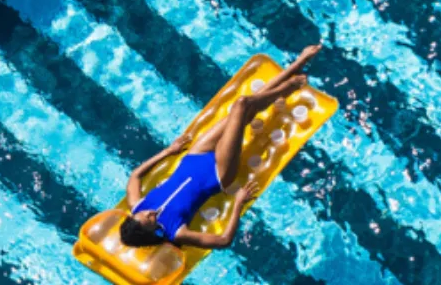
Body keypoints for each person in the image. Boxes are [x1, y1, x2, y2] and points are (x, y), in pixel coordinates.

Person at [117, 44, 322, 251]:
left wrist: (168, 151)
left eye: (143, 215)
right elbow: (223, 241)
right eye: (150, 221)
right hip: (218, 173)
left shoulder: (137, 205)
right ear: (152, 233)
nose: (150, 214)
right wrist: (238, 204)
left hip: (194, 157)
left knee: (246, 112)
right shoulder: (175, 232)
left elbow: (135, 175)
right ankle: (293, 76)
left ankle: (292, 76)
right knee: (242, 105)